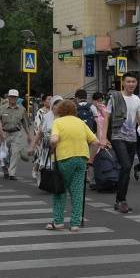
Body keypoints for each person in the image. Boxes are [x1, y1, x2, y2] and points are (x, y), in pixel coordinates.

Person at [101, 74, 140, 213]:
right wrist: (103, 137)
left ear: (136, 83)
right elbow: (106, 117)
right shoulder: (115, 97)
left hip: (132, 138)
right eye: (128, 81)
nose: (131, 84)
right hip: (117, 136)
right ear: (123, 83)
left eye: (133, 81)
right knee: (126, 166)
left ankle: (120, 200)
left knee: (125, 169)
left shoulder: (137, 99)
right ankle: (121, 200)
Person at [48, 98, 99, 231]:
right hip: (81, 158)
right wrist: (90, 159)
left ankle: (58, 221)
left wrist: (52, 146)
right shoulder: (80, 122)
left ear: (59, 110)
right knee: (77, 192)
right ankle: (75, 223)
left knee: (60, 190)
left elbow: (54, 138)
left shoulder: (58, 122)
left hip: (64, 159)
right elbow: (95, 142)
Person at [0, 89, 28, 181]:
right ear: (8, 97)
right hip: (4, 133)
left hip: (17, 133)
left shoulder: (22, 109)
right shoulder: (2, 108)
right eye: (11, 96)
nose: (12, 99)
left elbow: (25, 123)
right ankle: (5, 171)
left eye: (14, 97)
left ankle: (12, 173)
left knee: (15, 153)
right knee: (4, 154)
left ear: (17, 98)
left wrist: (29, 136)